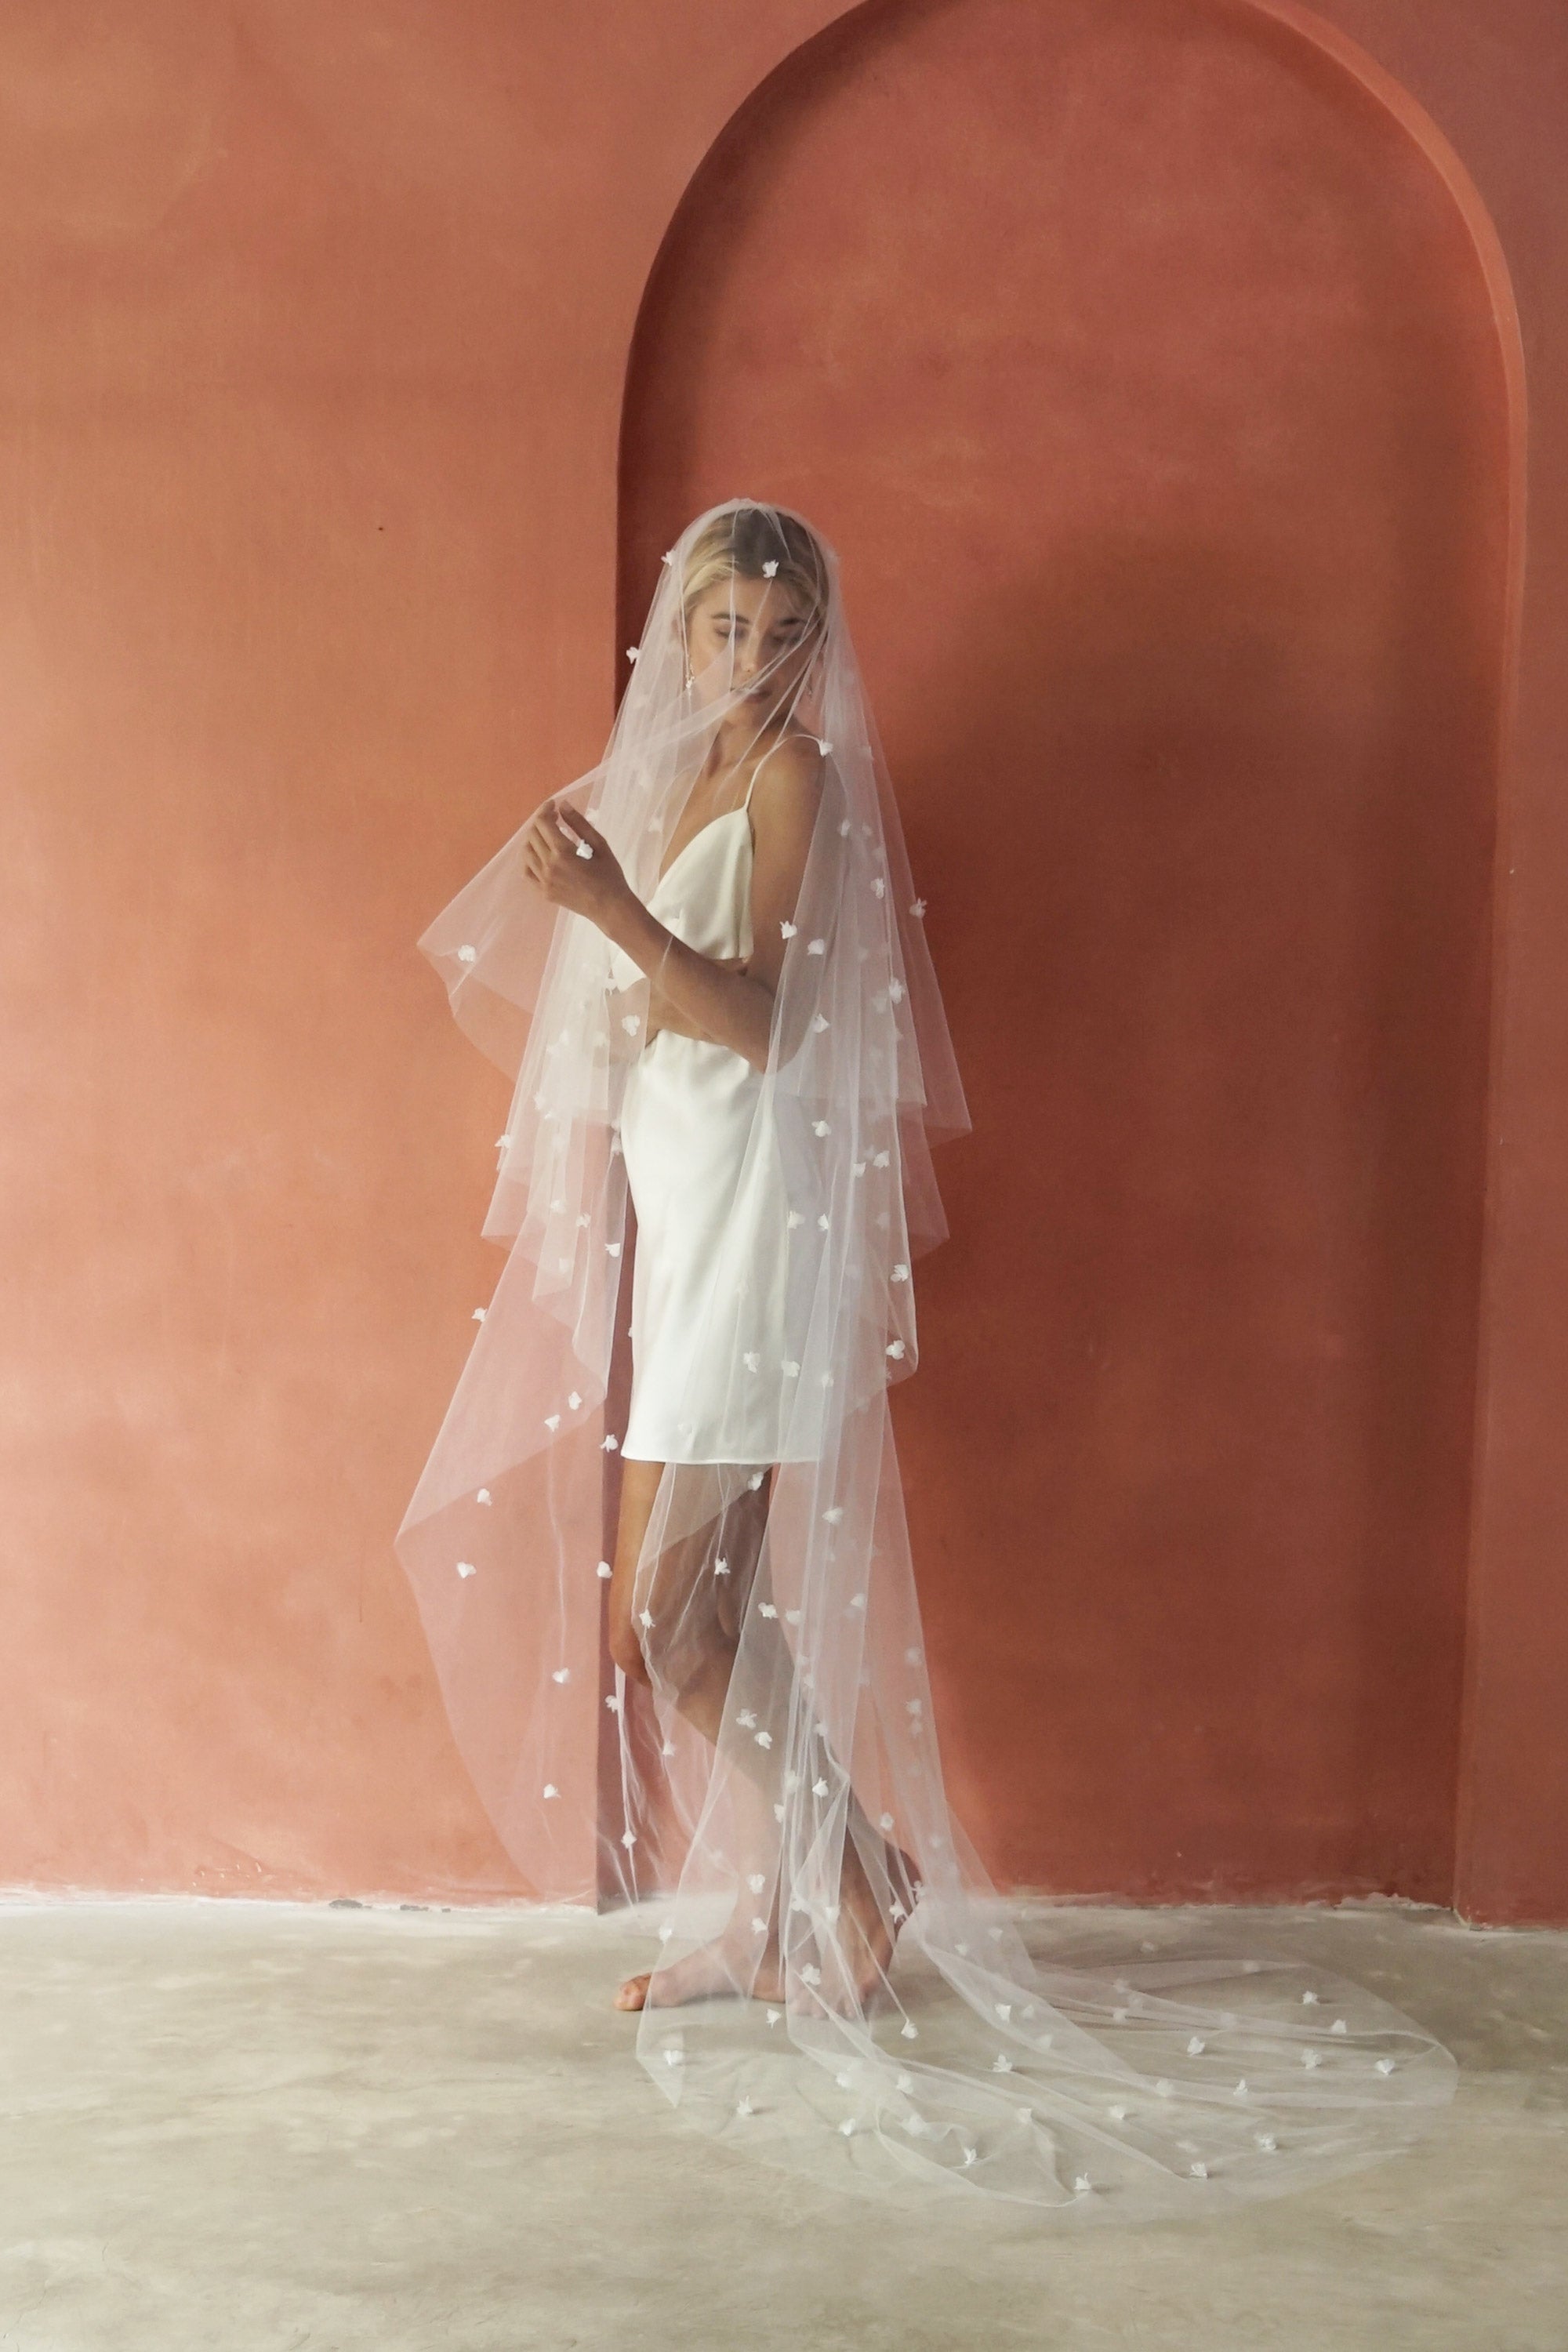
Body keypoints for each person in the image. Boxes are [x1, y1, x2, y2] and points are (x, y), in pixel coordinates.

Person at [397, 497, 1456, 2213]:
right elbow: (659, 1020)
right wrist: (608, 943)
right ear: (678, 631)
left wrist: (608, 909)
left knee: (665, 1625)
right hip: (690, 1215)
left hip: (751, 1228)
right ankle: (804, 1894)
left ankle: (855, 1870)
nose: (749, 659)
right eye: (723, 628)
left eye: (781, 632)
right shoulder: (674, 776)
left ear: (817, 641)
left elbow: (761, 1023)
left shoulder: (795, 780)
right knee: (703, 1611)